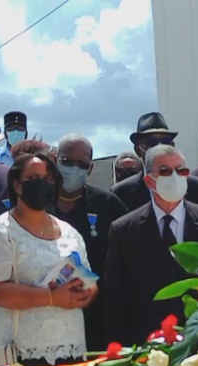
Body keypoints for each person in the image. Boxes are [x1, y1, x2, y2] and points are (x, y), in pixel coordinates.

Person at [0, 152, 95, 366]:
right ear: (17, 185)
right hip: (20, 352)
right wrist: (51, 298)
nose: (42, 184)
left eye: (48, 179)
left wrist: (86, 291)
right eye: (33, 179)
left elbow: (88, 277)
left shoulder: (70, 232)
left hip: (71, 348)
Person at [105, 146, 198, 346]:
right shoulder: (123, 231)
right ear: (148, 180)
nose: (174, 177)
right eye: (164, 171)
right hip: (147, 345)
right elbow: (115, 297)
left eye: (181, 171)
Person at [54, 134, 130, 351]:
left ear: (90, 169)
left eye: (82, 164)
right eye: (67, 162)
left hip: (97, 312)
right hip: (47, 306)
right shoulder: (39, 202)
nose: (74, 169)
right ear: (56, 160)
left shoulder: (107, 204)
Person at [111, 112, 198, 210]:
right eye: (152, 142)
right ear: (138, 150)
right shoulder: (121, 194)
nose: (159, 147)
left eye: (165, 142)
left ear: (172, 146)